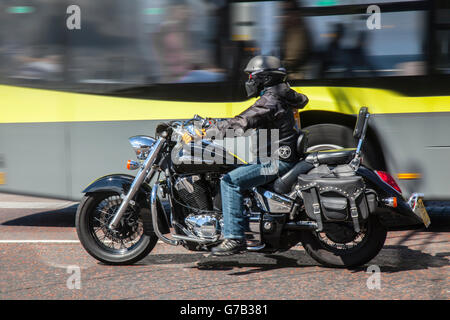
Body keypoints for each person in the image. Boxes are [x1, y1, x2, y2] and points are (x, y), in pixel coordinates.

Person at [206, 56, 309, 256]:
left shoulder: (270, 100)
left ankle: (234, 237)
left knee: (230, 181)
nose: (250, 80)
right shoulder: (281, 94)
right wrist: (214, 123)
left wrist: (207, 133)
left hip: (275, 161)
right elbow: (244, 118)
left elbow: (242, 123)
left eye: (253, 76)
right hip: (279, 156)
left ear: (266, 78)